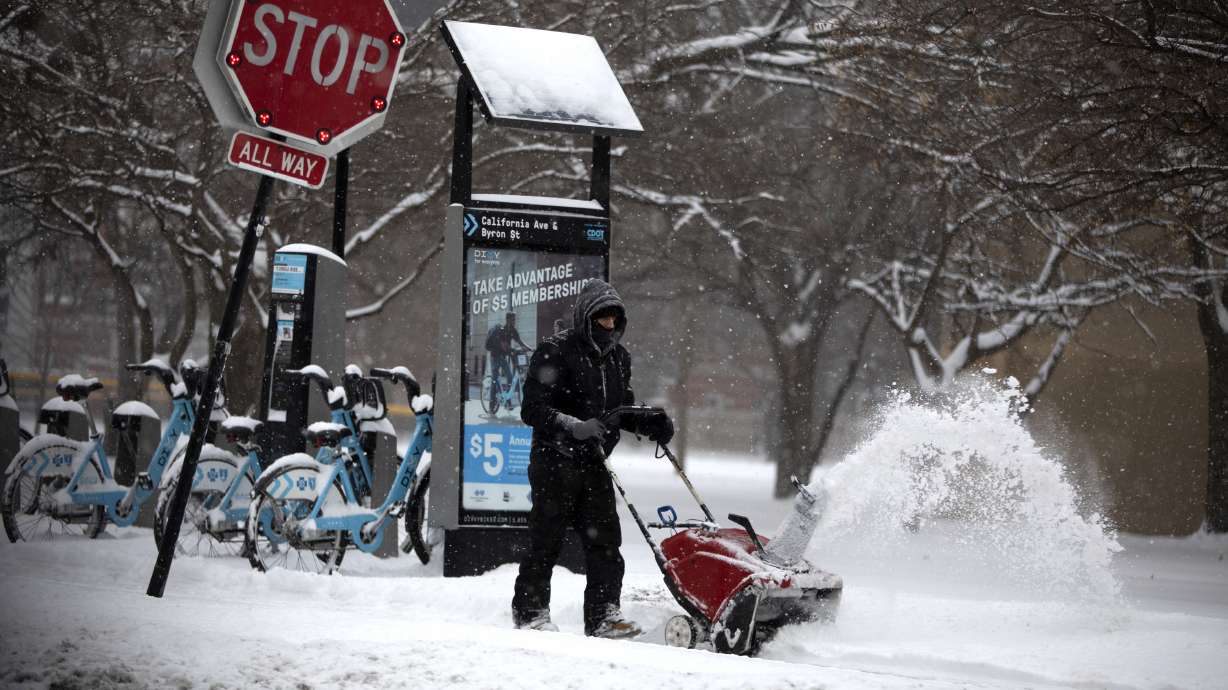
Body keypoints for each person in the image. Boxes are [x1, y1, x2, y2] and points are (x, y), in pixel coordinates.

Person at [512, 279, 674, 638]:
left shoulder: (619, 358)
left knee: (605, 543)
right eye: (602, 319)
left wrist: (651, 423)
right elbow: (532, 409)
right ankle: (531, 611)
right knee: (546, 540)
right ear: (586, 317)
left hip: (595, 463)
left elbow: (619, 409)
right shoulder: (554, 351)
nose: (609, 326)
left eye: (615, 319)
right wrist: (572, 426)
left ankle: (604, 616)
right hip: (554, 460)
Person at [485, 312, 531, 400]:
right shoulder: (502, 330)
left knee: (510, 377)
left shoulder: (513, 330)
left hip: (502, 357)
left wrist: (530, 348)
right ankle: (492, 403)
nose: (514, 321)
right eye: (513, 319)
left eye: (515, 320)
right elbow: (504, 346)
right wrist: (514, 350)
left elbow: (520, 341)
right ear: (508, 319)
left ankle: (507, 399)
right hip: (494, 356)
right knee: (495, 380)